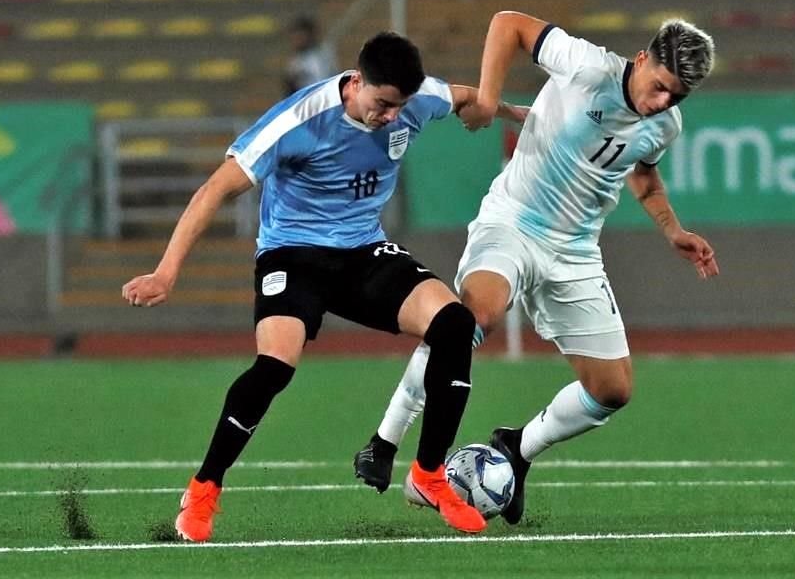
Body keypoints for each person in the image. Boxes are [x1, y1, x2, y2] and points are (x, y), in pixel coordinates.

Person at [122, 32, 523, 540]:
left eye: (400, 107)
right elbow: (215, 189)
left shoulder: (414, 101)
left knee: (454, 325)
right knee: (274, 367)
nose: (391, 117)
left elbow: (467, 98)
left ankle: (428, 474)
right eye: (382, 105)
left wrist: (502, 110)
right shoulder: (299, 120)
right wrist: (166, 271)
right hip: (293, 254)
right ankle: (203, 489)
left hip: (361, 252)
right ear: (356, 83)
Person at [353, 11, 720, 525]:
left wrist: (672, 229)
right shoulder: (586, 66)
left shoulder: (665, 123)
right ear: (642, 59)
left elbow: (643, 175)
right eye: (659, 86)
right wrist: (486, 98)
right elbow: (508, 24)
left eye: (676, 97)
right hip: (513, 225)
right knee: (470, 320)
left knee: (612, 390)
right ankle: (385, 443)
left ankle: (516, 450)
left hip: (576, 251)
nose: (662, 102)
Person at [283, 14, 336, 96]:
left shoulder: (320, 57)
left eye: (300, 35)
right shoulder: (296, 59)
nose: (296, 39)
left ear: (309, 35)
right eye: (294, 35)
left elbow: (322, 85)